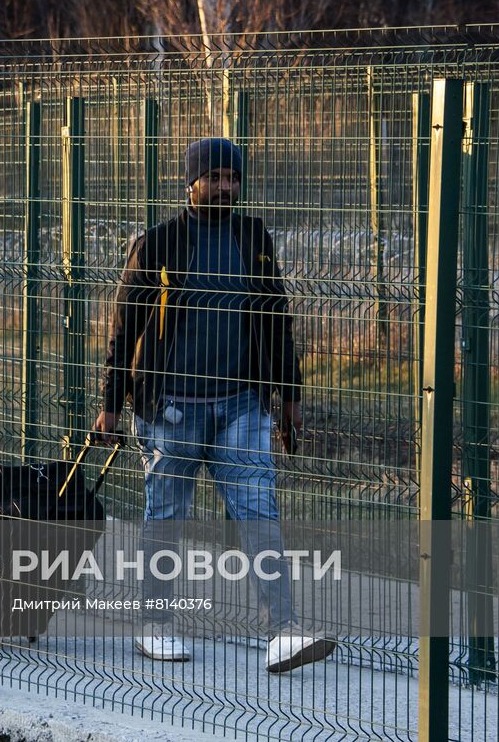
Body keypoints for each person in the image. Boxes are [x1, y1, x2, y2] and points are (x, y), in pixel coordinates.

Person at [92, 137, 335, 674]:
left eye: (233, 178)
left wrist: (289, 393)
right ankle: (154, 624)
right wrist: (111, 403)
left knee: (259, 511)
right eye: (216, 177)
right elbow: (122, 326)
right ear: (192, 182)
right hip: (172, 408)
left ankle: (283, 631)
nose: (226, 186)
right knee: (166, 515)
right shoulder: (158, 244)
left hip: (242, 406)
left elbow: (277, 317)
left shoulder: (253, 237)